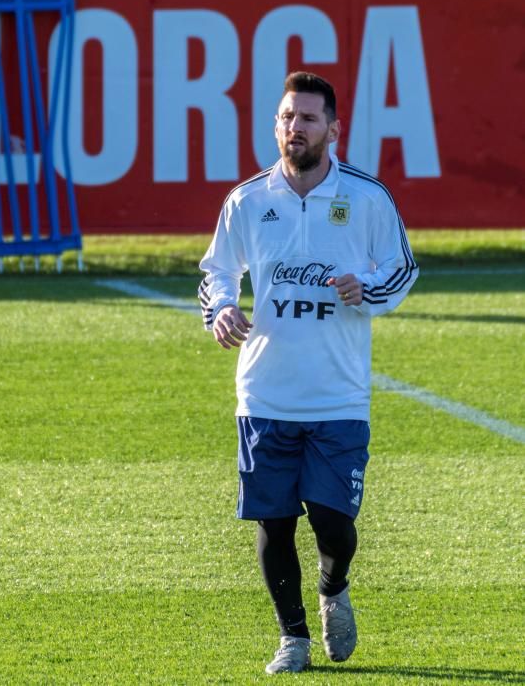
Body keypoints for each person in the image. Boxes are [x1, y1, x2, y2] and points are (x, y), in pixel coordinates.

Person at [198, 72, 417, 674]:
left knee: (332, 521)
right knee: (273, 521)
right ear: (276, 125)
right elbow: (216, 272)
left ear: (334, 129)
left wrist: (365, 288)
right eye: (287, 117)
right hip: (265, 391)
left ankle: (333, 587)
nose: (295, 128)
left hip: (338, 395)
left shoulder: (368, 198)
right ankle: (292, 639)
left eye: (309, 119)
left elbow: (401, 271)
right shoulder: (247, 200)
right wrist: (220, 311)